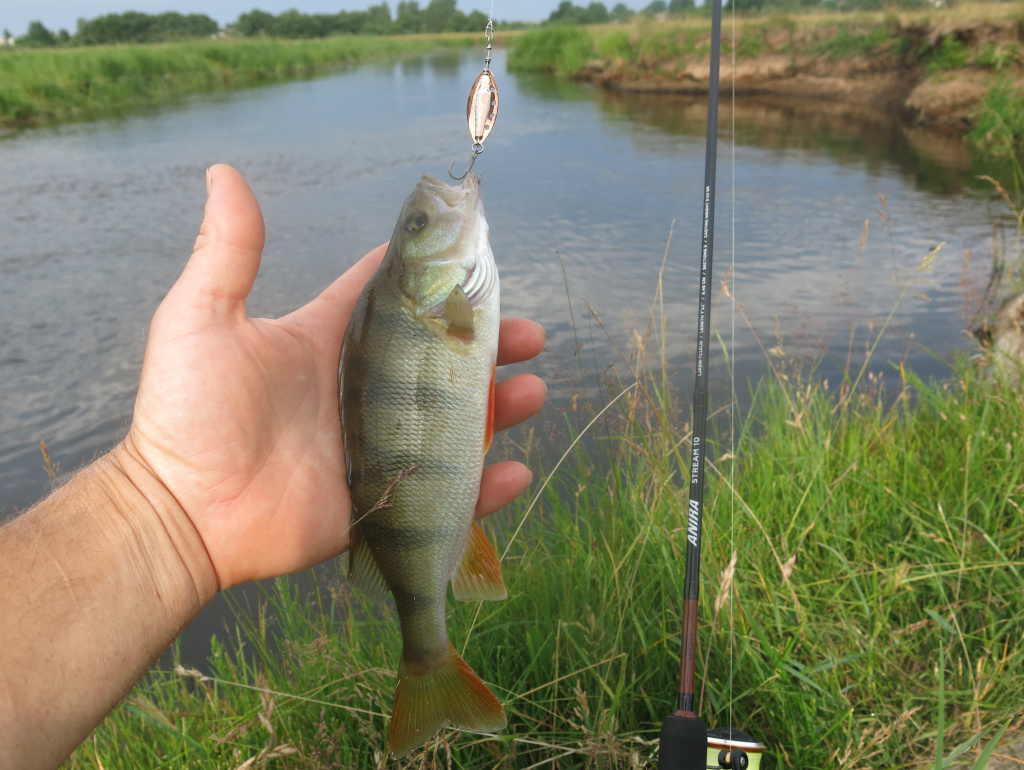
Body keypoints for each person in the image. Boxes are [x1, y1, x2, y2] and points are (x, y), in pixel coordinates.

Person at [0, 165, 547, 770]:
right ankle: (429, 658)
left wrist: (158, 508)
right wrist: (159, 499)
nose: (429, 215)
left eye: (416, 223)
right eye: (420, 224)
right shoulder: (438, 306)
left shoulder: (431, 305)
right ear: (413, 270)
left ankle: (429, 653)